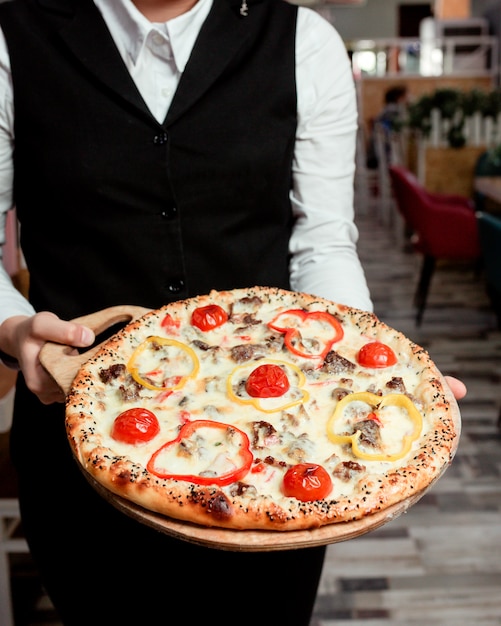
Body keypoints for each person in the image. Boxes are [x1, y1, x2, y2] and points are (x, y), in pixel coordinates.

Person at [0, 1, 466, 624]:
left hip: (284, 465)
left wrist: (366, 374)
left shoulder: (304, 41)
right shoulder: (12, 41)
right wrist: (12, 327)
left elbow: (323, 241)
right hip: (80, 437)